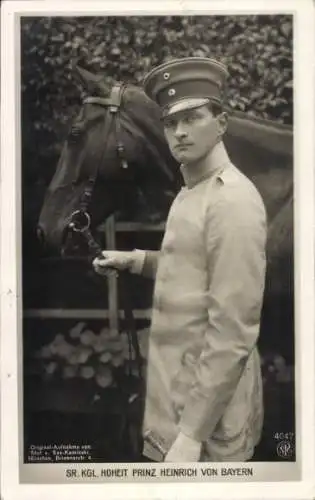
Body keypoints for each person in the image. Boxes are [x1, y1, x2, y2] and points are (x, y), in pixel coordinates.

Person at [93, 57, 267, 462]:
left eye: (192, 118)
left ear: (221, 122)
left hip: (209, 420)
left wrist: (191, 435)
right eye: (171, 123)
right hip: (177, 395)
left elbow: (233, 331)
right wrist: (134, 261)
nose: (180, 132)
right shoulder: (194, 191)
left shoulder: (231, 201)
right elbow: (193, 269)